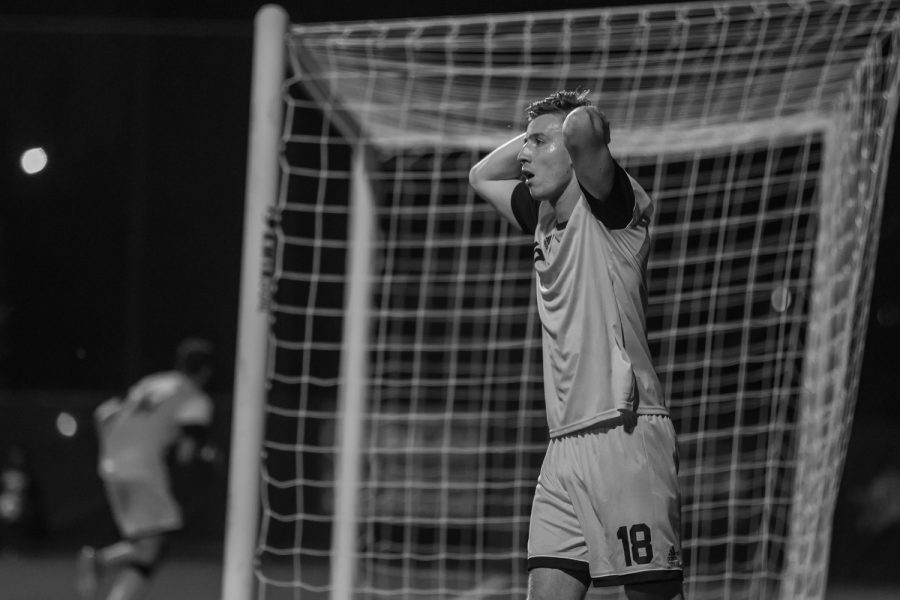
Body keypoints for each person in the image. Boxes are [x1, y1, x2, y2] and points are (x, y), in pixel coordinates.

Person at [468, 90, 684, 600]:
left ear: (575, 154)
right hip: (563, 447)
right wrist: (537, 136)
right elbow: (481, 176)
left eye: (539, 142)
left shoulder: (612, 210)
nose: (523, 154)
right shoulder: (543, 219)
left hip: (624, 437)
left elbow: (586, 129)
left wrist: (566, 128)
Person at [76, 337, 215, 600]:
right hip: (143, 468)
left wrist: (112, 450)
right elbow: (186, 453)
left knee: (148, 546)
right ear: (207, 371)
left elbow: (103, 414)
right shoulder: (195, 399)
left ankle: (104, 568)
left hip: (110, 466)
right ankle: (99, 560)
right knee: (152, 546)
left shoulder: (151, 382)